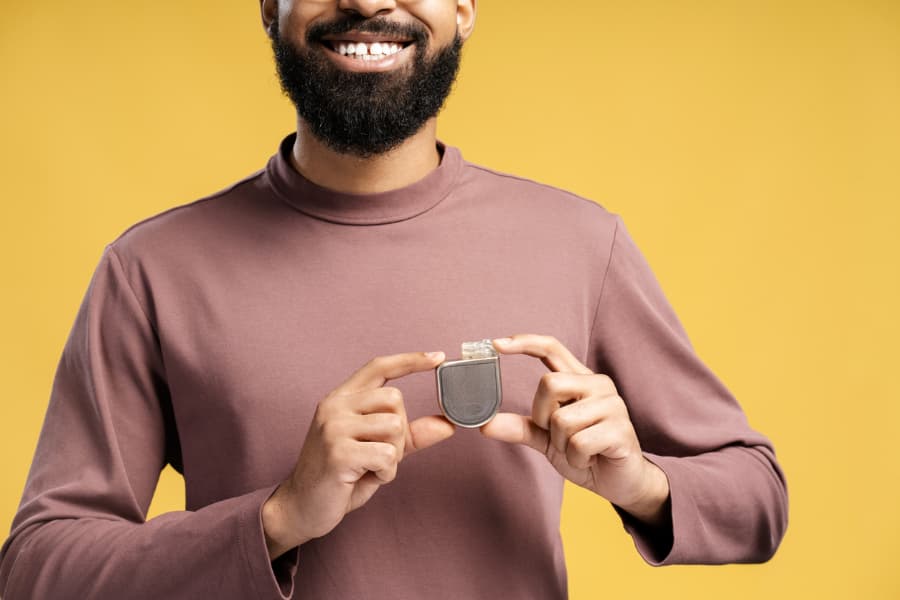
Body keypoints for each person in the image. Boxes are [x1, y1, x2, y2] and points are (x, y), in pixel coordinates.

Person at [0, 1, 788, 598]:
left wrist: (640, 485)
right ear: (269, 6)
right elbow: (37, 565)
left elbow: (757, 499)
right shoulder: (151, 269)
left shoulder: (582, 241)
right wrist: (277, 518)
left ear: (465, 8)